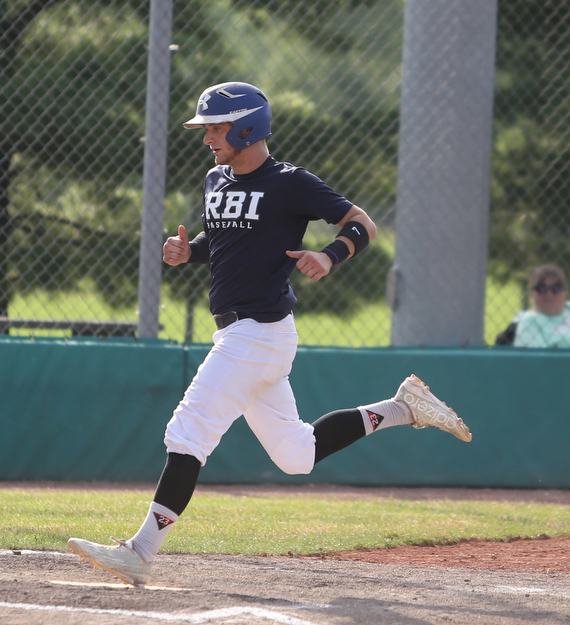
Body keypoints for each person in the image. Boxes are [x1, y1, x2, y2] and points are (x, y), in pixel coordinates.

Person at [68, 81, 472, 587]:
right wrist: (187, 252)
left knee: (189, 430)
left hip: (257, 332)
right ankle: (404, 407)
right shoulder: (216, 179)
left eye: (216, 127)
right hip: (250, 335)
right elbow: (223, 243)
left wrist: (329, 254)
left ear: (247, 126)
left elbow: (361, 223)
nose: (207, 137)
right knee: (297, 456)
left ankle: (141, 552)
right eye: (207, 128)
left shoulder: (289, 182)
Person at [512, 264, 570, 348]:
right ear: (533, 293)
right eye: (542, 288)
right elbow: (540, 358)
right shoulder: (529, 320)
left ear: (564, 292)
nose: (549, 294)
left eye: (556, 288)